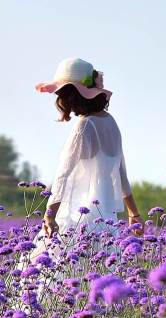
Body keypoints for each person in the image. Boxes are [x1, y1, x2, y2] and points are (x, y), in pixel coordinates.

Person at [34, 58, 143, 253]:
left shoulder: (84, 126)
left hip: (77, 217)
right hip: (106, 221)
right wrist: (134, 213)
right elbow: (121, 173)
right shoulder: (110, 122)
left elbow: (62, 174)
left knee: (57, 273)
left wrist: (49, 215)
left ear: (71, 96)